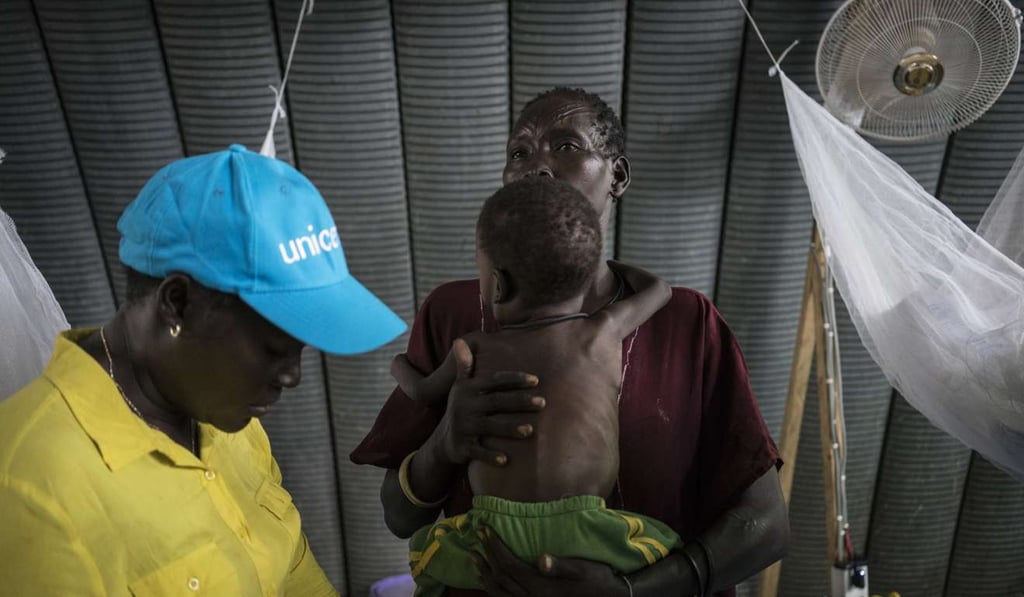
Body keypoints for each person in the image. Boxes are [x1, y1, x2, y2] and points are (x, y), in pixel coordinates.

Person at [352, 88, 788, 597]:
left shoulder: (685, 323)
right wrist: (444, 444)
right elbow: (398, 515)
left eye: (565, 146)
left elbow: (767, 524)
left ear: (617, 176)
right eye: (519, 152)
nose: (536, 166)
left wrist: (633, 592)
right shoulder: (453, 313)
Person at [0, 144, 407, 595]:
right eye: (274, 348)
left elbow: (296, 577)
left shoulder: (227, 419)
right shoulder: (31, 485)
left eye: (301, 347)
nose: (293, 376)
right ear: (178, 303)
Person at [392, 177, 676, 596]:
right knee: (665, 552)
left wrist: (399, 366)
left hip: (491, 534)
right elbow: (660, 290)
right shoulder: (604, 335)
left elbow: (423, 393)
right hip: (588, 532)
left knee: (429, 565)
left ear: (497, 285)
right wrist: (592, 263)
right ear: (583, 277)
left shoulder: (473, 347)